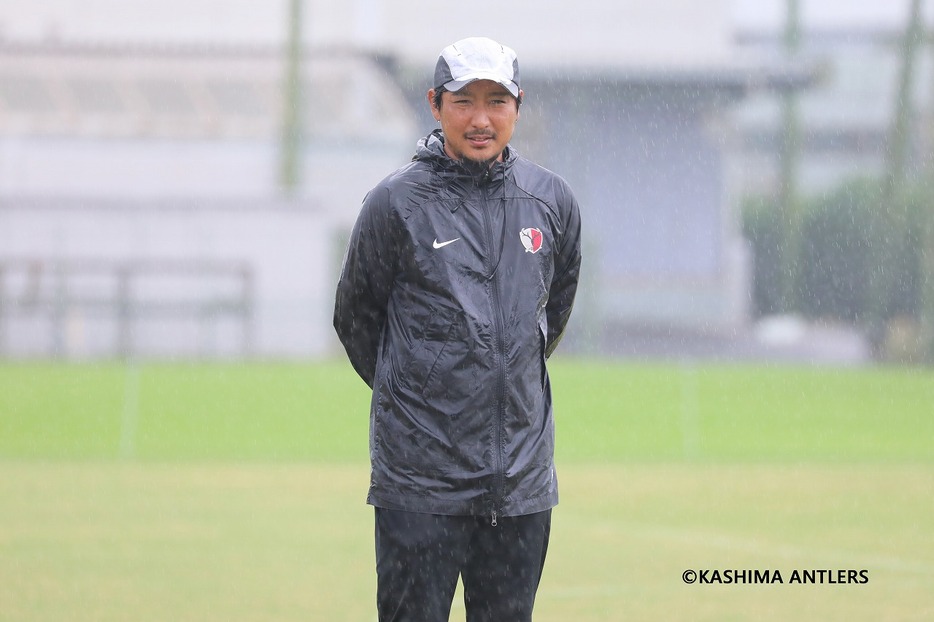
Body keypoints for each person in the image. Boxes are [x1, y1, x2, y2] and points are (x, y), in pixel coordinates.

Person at [333, 36, 582, 622]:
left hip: (519, 485)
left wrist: (505, 383)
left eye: (496, 100)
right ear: (434, 104)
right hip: (420, 485)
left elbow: (554, 311)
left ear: (518, 106)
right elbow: (356, 319)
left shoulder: (551, 201)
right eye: (463, 100)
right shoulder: (395, 204)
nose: (480, 118)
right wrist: (420, 395)